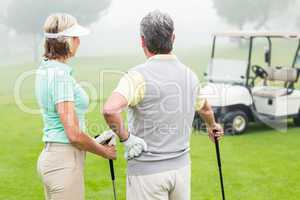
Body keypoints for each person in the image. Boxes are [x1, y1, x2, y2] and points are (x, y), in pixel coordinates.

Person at [102, 10, 224, 200]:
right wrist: (212, 126)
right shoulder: (190, 75)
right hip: (181, 171)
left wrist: (126, 139)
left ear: (142, 41)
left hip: (146, 175)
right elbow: (206, 109)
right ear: (173, 38)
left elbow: (110, 110)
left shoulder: (137, 76)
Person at [35, 13, 116, 200]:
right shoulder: (60, 76)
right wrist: (104, 151)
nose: (79, 41)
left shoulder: (46, 68)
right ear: (66, 41)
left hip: (55, 158)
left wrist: (95, 141)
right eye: (75, 37)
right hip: (63, 163)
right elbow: (73, 134)